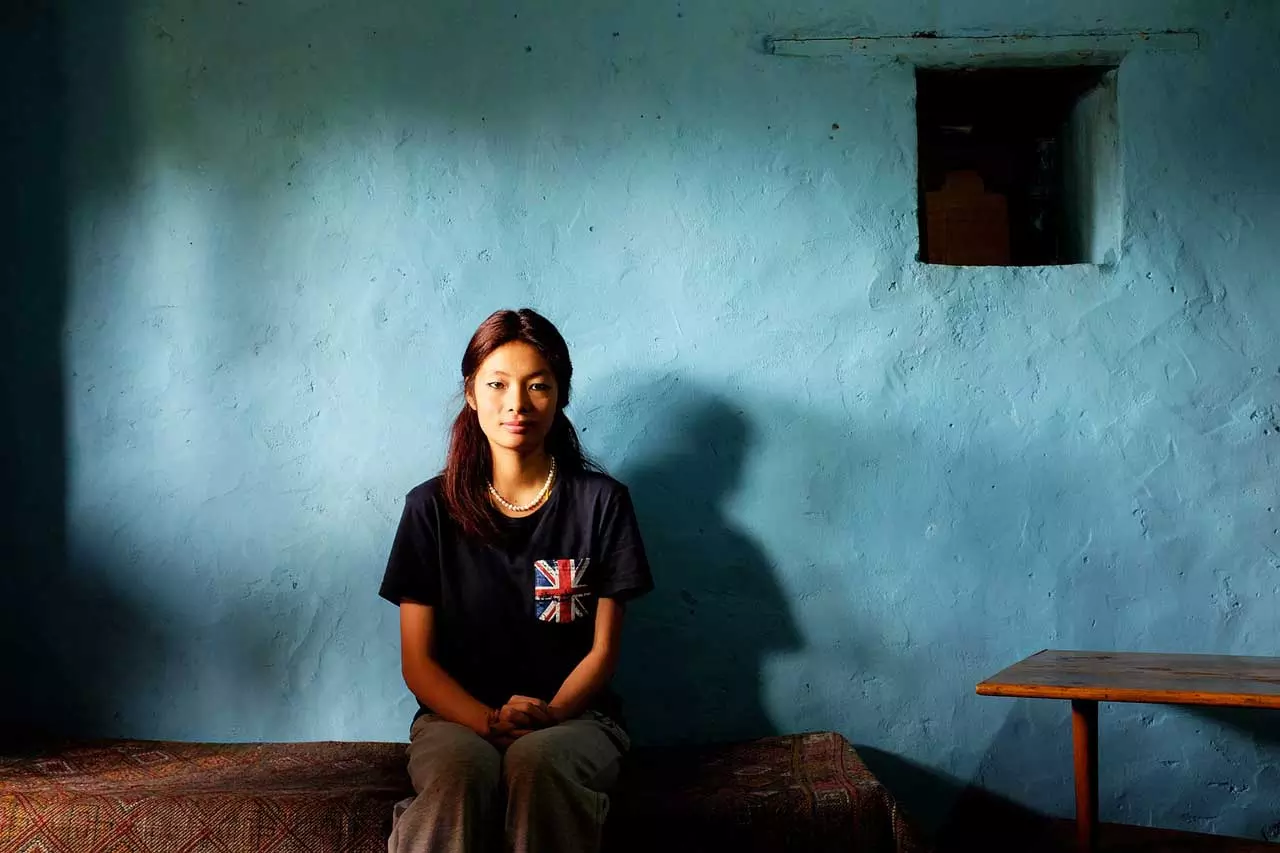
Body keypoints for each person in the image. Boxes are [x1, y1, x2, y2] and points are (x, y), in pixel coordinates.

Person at [379, 308, 654, 853]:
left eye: (538, 386)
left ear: (561, 394)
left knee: (537, 761)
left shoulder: (602, 504)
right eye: (498, 384)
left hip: (577, 719)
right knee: (459, 773)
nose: (517, 404)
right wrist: (485, 721)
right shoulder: (428, 509)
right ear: (471, 394)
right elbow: (418, 662)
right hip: (452, 720)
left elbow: (602, 653)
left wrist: (548, 716)